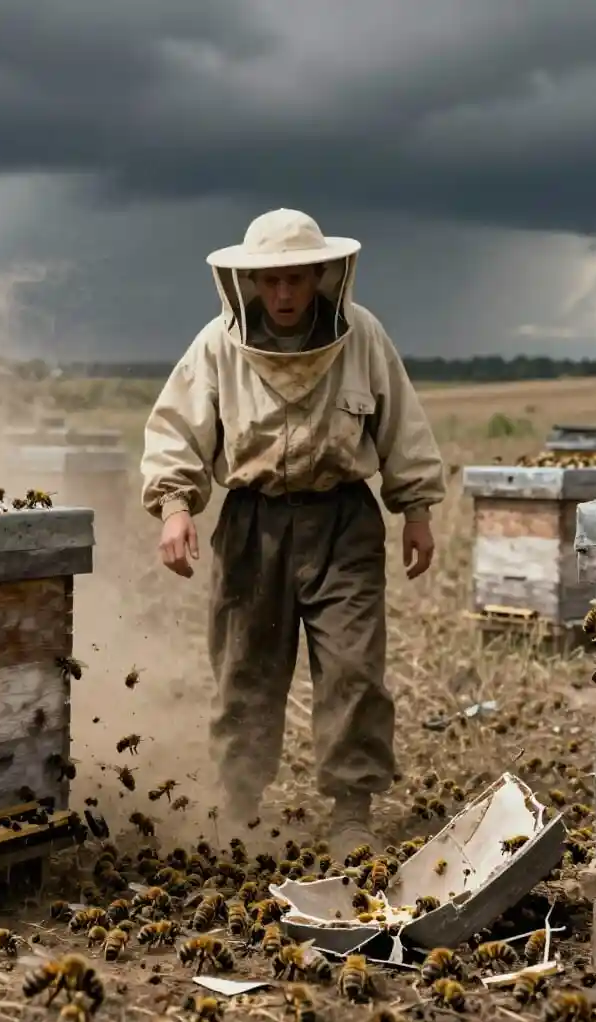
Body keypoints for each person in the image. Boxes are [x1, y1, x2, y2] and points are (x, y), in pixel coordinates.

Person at [140, 208, 446, 855]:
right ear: (249, 283)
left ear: (321, 277)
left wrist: (415, 507)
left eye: (297, 280)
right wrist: (175, 507)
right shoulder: (217, 345)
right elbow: (177, 432)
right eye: (271, 282)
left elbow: (402, 426)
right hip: (254, 525)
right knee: (245, 671)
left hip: (344, 522)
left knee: (353, 669)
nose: (283, 295)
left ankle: (351, 815)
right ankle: (239, 807)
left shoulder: (362, 336)